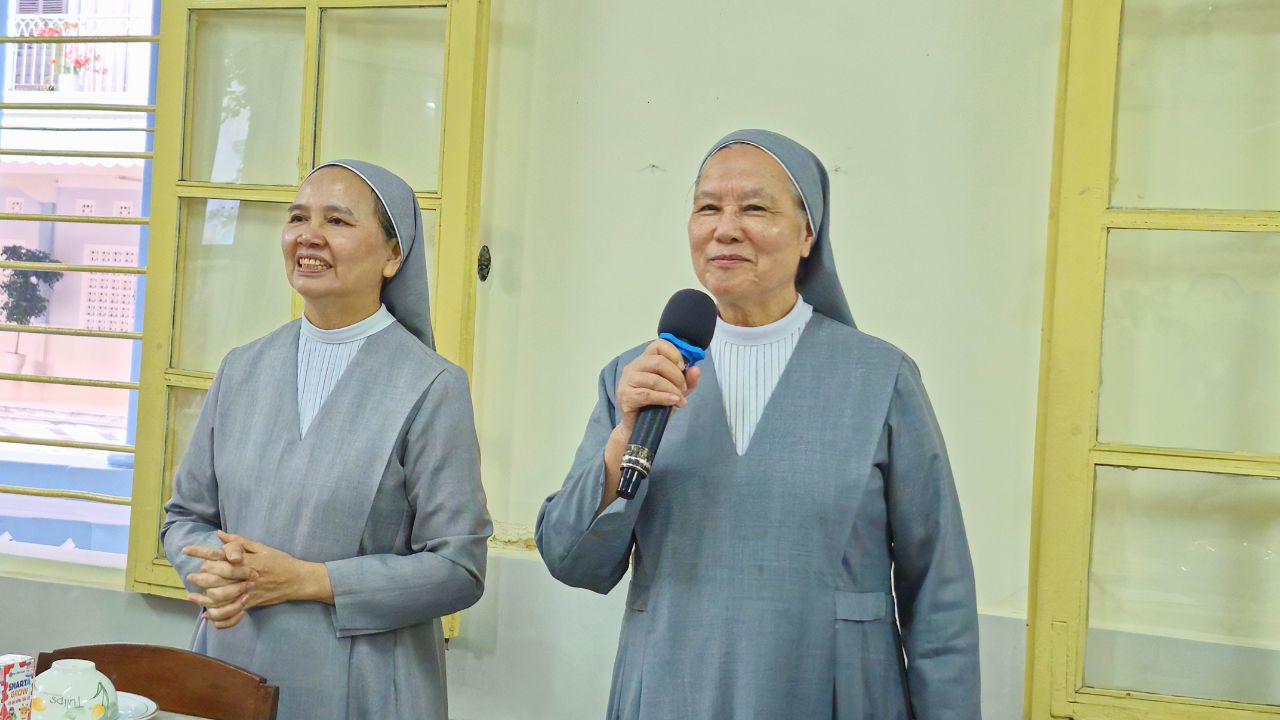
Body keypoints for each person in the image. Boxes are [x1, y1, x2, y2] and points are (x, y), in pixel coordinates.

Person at [536, 130, 980, 719]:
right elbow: (572, 561)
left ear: (808, 234)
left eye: (754, 208)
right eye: (707, 207)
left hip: (835, 694)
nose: (725, 228)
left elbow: (939, 589)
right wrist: (624, 440)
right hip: (674, 690)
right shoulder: (638, 379)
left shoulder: (881, 379)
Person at [162, 160, 491, 720]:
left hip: (365, 685)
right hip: (231, 668)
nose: (309, 235)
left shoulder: (431, 386)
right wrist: (214, 570)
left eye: (337, 220)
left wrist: (310, 580)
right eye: (298, 217)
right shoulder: (241, 369)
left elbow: (459, 569)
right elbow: (184, 519)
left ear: (394, 255)